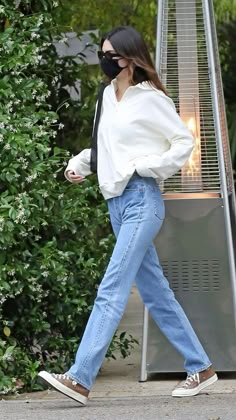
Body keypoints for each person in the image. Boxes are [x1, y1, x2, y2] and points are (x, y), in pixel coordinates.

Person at [38, 25, 218, 404]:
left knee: (112, 287)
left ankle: (79, 378)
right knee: (156, 295)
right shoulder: (107, 96)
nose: (105, 61)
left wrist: (146, 166)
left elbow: (183, 141)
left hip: (142, 200)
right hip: (116, 205)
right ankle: (200, 367)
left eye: (112, 56)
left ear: (130, 58)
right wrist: (79, 165)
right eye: (102, 54)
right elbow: (104, 147)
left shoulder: (151, 98)